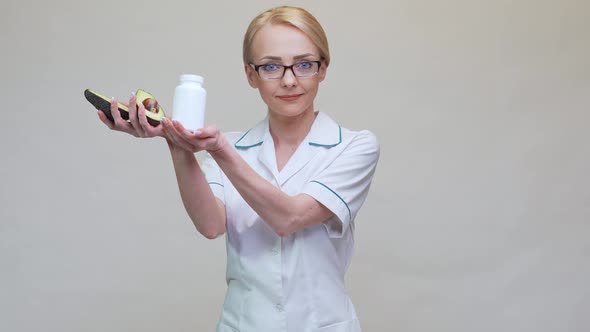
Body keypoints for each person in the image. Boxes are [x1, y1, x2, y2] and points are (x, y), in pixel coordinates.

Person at [96, 6, 380, 332]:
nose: (289, 80)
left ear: (323, 69)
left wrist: (219, 150)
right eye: (271, 67)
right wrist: (176, 142)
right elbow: (210, 224)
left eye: (304, 64)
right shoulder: (233, 145)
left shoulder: (354, 147)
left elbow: (290, 218)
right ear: (251, 75)